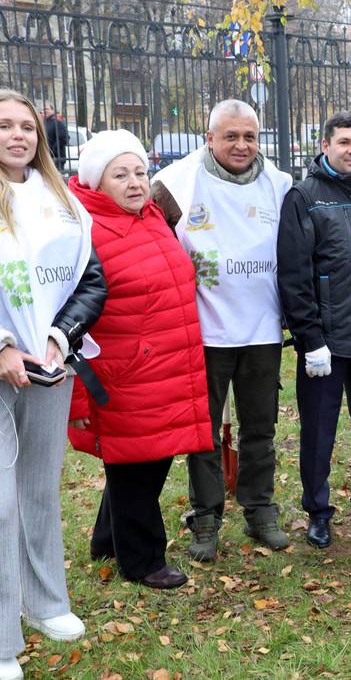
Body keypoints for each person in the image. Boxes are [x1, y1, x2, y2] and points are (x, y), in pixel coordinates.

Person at [67, 129, 214, 589]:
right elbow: (68, 319)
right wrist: (77, 401)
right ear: (95, 182)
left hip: (166, 368)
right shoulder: (84, 232)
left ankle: (107, 539)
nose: (134, 183)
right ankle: (143, 560)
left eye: (139, 172)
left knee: (145, 463)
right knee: (135, 469)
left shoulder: (151, 217)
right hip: (122, 376)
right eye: (120, 175)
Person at [150, 99, 292, 560]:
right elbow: (150, 240)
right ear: (209, 137)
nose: (241, 145)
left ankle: (259, 510)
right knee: (202, 432)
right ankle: (206, 518)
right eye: (230, 136)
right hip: (202, 330)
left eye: (249, 136)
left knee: (260, 428)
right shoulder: (175, 183)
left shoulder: (280, 184)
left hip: (262, 329)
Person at [0, 89, 106, 680]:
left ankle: (44, 602)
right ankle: (0, 639)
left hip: (49, 367)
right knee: (0, 501)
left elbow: (90, 280)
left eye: (27, 127)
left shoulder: (62, 200)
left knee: (39, 489)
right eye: (5, 126)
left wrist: (58, 338)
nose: (19, 136)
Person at [277, 111, 351, 548]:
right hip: (326, 346)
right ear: (326, 145)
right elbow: (294, 277)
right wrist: (310, 341)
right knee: (318, 433)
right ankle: (318, 510)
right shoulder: (305, 198)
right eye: (345, 142)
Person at [42, 101, 69, 172]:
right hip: (46, 157)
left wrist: (53, 151)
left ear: (52, 110)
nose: (44, 111)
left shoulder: (57, 121)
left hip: (56, 158)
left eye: (46, 109)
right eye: (43, 109)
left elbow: (64, 138)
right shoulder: (45, 122)